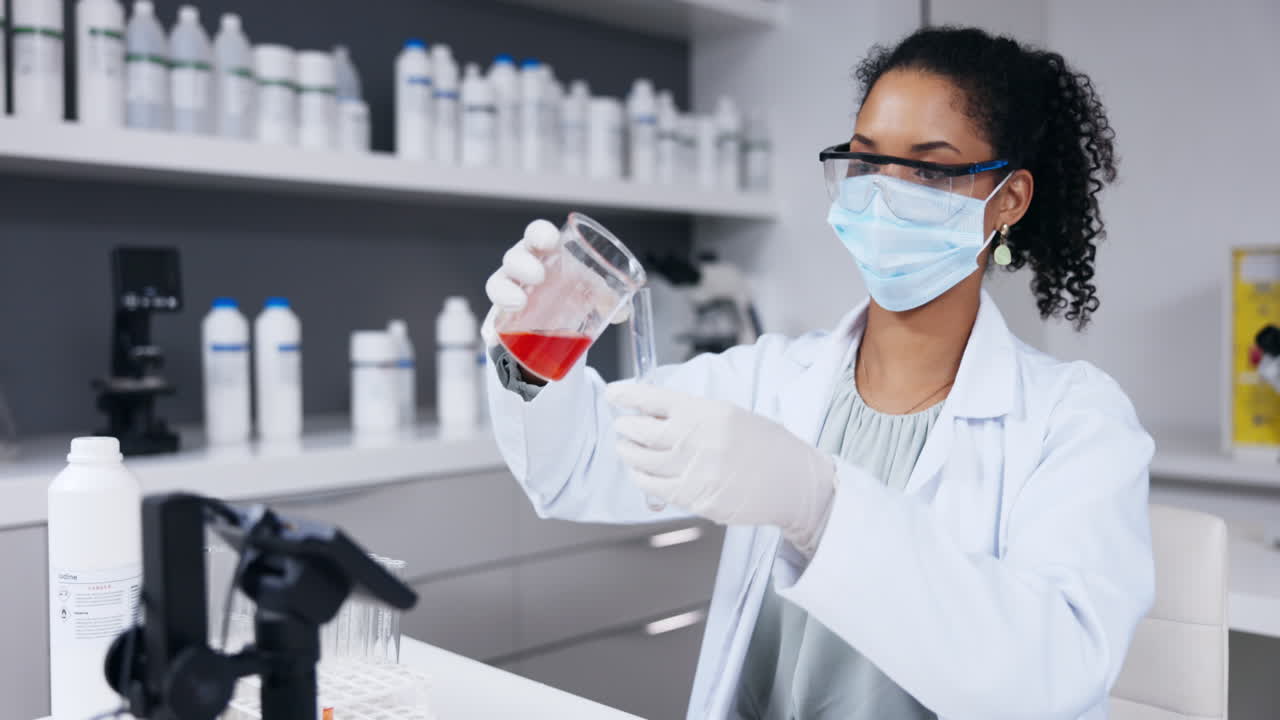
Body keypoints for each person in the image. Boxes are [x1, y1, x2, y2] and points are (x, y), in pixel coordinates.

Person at [481, 26, 1153, 720]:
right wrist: (526, 353)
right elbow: (576, 464)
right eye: (866, 163)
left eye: (928, 169)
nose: (884, 195)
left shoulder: (1075, 423)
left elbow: (1053, 674)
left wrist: (820, 507)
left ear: (1008, 199)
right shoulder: (775, 379)